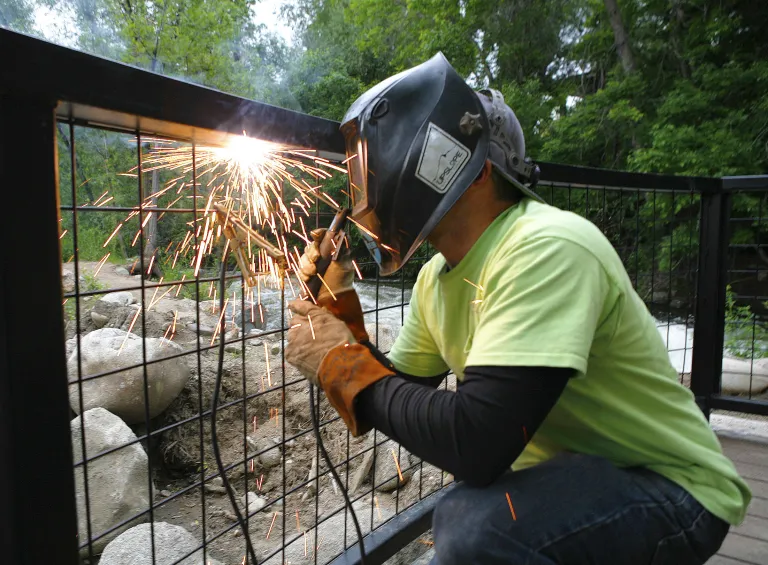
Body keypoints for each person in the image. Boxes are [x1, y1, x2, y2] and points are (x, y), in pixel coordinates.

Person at [285, 53, 751, 564]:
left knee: (471, 528)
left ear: (473, 167)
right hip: (578, 477)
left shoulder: (547, 246)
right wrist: (341, 316)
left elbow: (476, 444)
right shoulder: (434, 280)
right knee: (471, 524)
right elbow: (397, 393)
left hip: (673, 488)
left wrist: (343, 365)